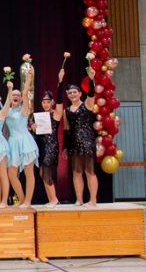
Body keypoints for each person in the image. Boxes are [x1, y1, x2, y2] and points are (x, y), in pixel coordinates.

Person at [63, 68, 98, 206]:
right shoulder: (66, 111)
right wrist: (65, 147)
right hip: (74, 144)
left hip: (87, 142)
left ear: (80, 93)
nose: (72, 94)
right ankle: (79, 199)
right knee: (76, 173)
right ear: (67, 95)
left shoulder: (87, 105)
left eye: (75, 92)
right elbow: (66, 130)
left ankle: (93, 200)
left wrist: (91, 79)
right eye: (70, 93)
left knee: (90, 172)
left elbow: (91, 93)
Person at [5, 70, 39, 208]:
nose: (16, 96)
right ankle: (22, 199)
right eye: (13, 95)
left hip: (25, 142)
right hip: (12, 143)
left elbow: (25, 94)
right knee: (11, 174)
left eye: (18, 95)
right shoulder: (6, 111)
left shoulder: (23, 109)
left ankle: (28, 201)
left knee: (28, 172)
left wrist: (28, 78)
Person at [33, 69, 65, 207]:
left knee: (47, 172)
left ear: (52, 102)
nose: (45, 104)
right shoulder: (40, 116)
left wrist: (60, 82)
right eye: (43, 102)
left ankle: (54, 199)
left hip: (51, 147)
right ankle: (52, 198)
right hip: (42, 147)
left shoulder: (55, 114)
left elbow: (60, 102)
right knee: (42, 172)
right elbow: (37, 133)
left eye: (48, 102)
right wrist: (33, 127)